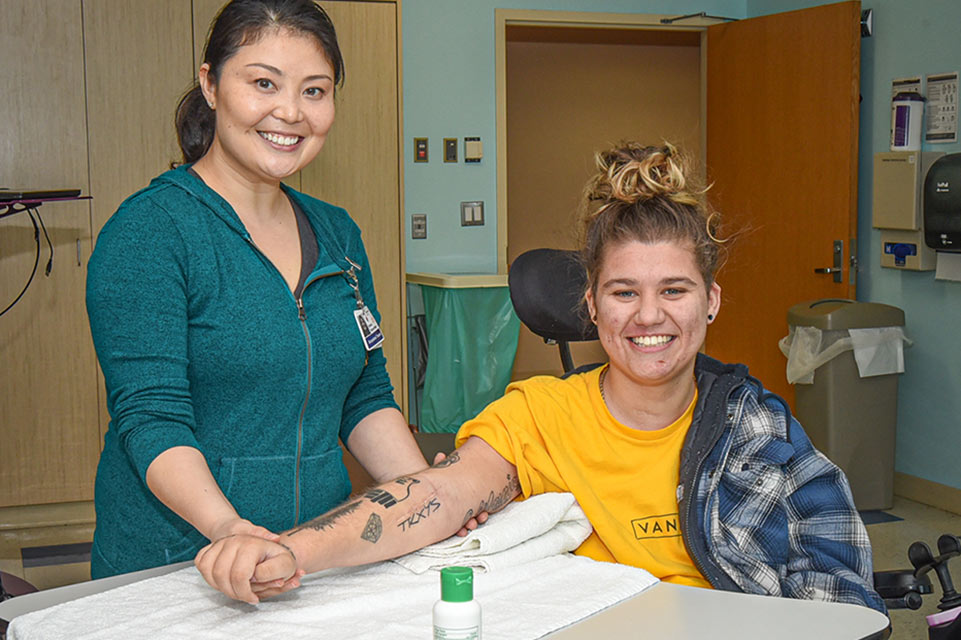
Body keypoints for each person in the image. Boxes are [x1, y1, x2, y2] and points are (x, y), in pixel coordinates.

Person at [193, 142, 885, 614]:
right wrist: (291, 551)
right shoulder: (536, 415)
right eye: (622, 293)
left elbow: (837, 578)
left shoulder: (752, 424)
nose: (649, 317)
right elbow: (426, 497)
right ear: (589, 302)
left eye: (674, 290)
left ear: (711, 300)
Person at [84, 0, 468, 578]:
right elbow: (152, 416)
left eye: (315, 90)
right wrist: (228, 529)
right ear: (210, 85)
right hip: (182, 559)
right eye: (264, 83)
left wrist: (426, 498)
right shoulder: (151, 231)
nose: (290, 111)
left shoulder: (336, 232)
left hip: (314, 552)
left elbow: (364, 394)